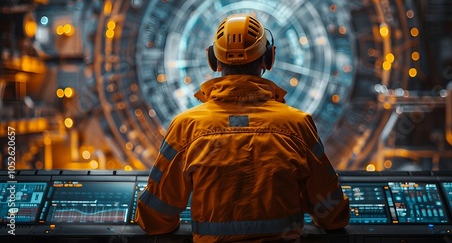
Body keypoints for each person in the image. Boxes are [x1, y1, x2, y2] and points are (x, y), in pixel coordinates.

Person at [135, 13, 350, 242]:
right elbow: (333, 215)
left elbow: (154, 220)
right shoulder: (297, 125)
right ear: (268, 58)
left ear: (213, 60)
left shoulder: (186, 127)